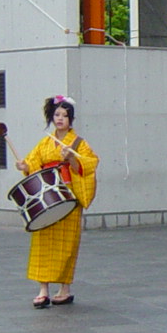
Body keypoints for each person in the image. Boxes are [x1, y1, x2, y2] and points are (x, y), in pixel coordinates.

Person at [16, 95, 99, 308]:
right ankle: (43, 289)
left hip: (68, 196)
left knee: (67, 245)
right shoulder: (45, 142)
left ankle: (64, 289)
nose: (60, 118)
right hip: (48, 197)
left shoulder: (78, 143)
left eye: (64, 115)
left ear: (71, 119)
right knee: (42, 243)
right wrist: (26, 167)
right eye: (57, 115)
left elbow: (89, 166)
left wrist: (71, 158)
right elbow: (33, 162)